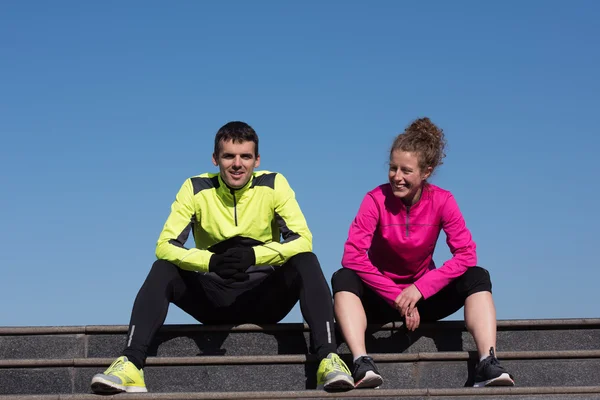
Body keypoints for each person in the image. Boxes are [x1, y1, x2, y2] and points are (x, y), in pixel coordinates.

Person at [90, 121, 353, 394]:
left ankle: (328, 359)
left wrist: (254, 255)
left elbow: (302, 239)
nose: (237, 164)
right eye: (229, 156)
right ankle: (131, 364)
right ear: (215, 159)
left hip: (265, 297)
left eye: (245, 157)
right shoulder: (194, 187)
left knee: (306, 260)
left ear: (257, 160)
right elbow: (164, 246)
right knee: (162, 268)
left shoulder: (275, 183)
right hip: (214, 297)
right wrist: (209, 262)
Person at [331, 117, 515, 389]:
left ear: (426, 172)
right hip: (381, 298)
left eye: (406, 170)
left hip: (424, 297)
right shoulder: (374, 199)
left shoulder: (443, 200)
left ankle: (487, 362)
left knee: (477, 276)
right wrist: (398, 297)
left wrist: (419, 290)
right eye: (393, 168)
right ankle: (361, 362)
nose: (397, 176)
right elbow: (353, 256)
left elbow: (466, 254)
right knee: (343, 276)